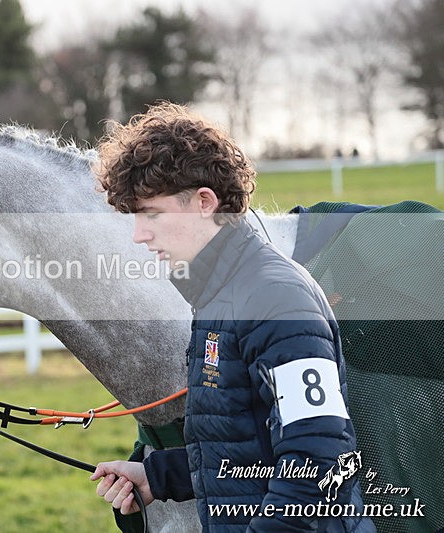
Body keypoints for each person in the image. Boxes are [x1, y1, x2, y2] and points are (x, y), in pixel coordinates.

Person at [89, 103, 373, 531]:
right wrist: (157, 476)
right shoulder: (220, 295)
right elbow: (249, 444)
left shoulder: (275, 298)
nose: (139, 235)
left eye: (151, 214)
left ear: (204, 202)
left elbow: (317, 459)